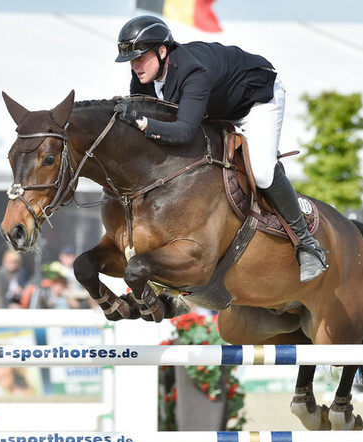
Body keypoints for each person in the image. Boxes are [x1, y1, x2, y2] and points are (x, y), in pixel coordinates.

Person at [113, 15, 327, 282]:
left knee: (261, 172)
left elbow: (182, 131)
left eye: (140, 57)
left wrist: (142, 122)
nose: (135, 66)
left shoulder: (193, 71)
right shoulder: (144, 76)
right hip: (214, 107)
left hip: (255, 102)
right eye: (131, 60)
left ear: (163, 50)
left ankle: (308, 245)